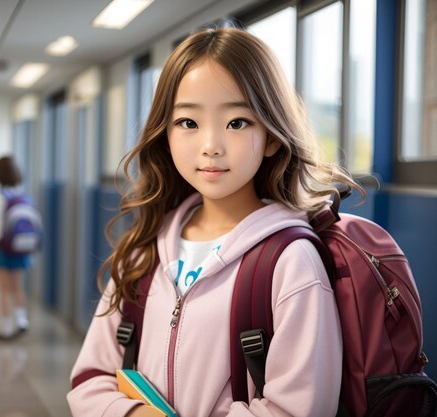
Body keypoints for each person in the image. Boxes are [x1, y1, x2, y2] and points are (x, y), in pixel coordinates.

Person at [67, 27, 364, 417]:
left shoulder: (291, 263)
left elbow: (296, 410)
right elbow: (89, 379)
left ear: (272, 136)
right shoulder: (142, 253)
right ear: (166, 134)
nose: (211, 145)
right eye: (188, 122)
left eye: (237, 122)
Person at [0, 155, 32, 342]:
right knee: (17, 286)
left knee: (2, 289)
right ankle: (22, 321)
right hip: (18, 247)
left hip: (1, 248)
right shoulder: (20, 196)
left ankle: (5, 329)